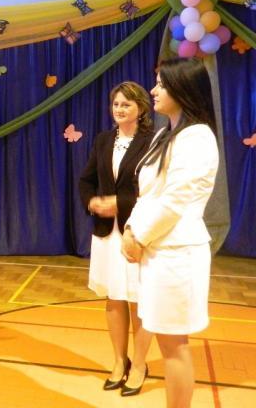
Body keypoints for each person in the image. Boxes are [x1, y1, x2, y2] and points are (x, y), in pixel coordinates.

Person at [122, 57, 219, 407]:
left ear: (183, 88)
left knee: (174, 345)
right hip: (159, 251)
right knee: (167, 341)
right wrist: (131, 229)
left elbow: (175, 199)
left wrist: (139, 236)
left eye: (161, 84)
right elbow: (148, 192)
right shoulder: (167, 134)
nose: (153, 90)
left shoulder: (197, 137)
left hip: (178, 254)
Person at [79, 81, 154, 395]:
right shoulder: (103, 139)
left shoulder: (153, 141)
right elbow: (86, 180)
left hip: (135, 233)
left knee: (138, 300)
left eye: (126, 104)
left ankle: (139, 365)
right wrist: (92, 202)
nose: (119, 109)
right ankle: (119, 362)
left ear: (141, 108)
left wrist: (119, 204)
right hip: (105, 234)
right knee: (114, 298)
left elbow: (153, 191)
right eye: (116, 104)